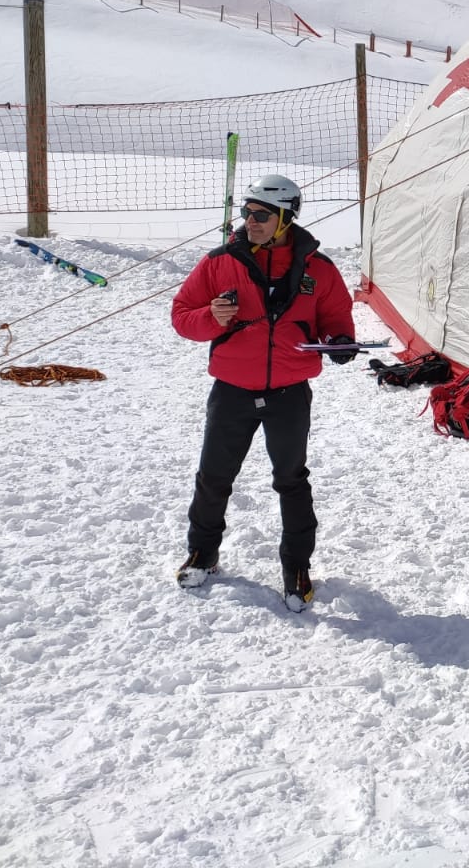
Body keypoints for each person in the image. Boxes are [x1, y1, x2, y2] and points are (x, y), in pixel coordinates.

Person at [170, 174, 356, 611]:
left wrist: (340, 343)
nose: (249, 222)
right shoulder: (219, 262)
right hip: (232, 388)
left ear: (285, 218)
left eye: (260, 215)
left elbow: (337, 318)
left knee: (291, 480)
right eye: (246, 213)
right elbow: (182, 316)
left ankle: (297, 567)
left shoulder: (318, 269)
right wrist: (212, 317)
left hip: (289, 392)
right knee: (214, 475)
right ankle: (203, 553)